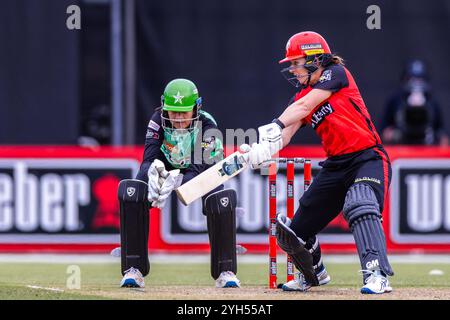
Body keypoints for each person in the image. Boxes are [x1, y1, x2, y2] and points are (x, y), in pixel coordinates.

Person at [240, 31, 394, 294]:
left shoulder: (336, 73)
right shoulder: (302, 94)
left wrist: (275, 124)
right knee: (292, 233)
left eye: (296, 62)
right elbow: (286, 134)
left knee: (360, 202)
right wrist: (261, 150)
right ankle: (315, 273)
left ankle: (377, 275)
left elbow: (300, 110)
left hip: (367, 157)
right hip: (336, 165)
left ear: (313, 58)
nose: (292, 68)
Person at [118, 79, 240, 289]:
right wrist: (153, 176)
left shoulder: (208, 125)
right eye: (173, 112)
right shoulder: (157, 119)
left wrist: (174, 180)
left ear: (196, 108)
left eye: (184, 112)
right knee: (133, 192)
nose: (178, 118)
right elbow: (148, 160)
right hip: (165, 162)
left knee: (221, 199)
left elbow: (197, 171)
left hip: (201, 165)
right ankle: (133, 269)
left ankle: (225, 271)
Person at [380, 59, 448, 146]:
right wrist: (394, 134)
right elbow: (383, 132)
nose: (415, 83)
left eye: (419, 79)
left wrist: (436, 137)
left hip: (427, 147)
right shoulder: (395, 100)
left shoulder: (432, 102)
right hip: (401, 148)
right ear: (405, 79)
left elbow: (443, 135)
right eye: (412, 79)